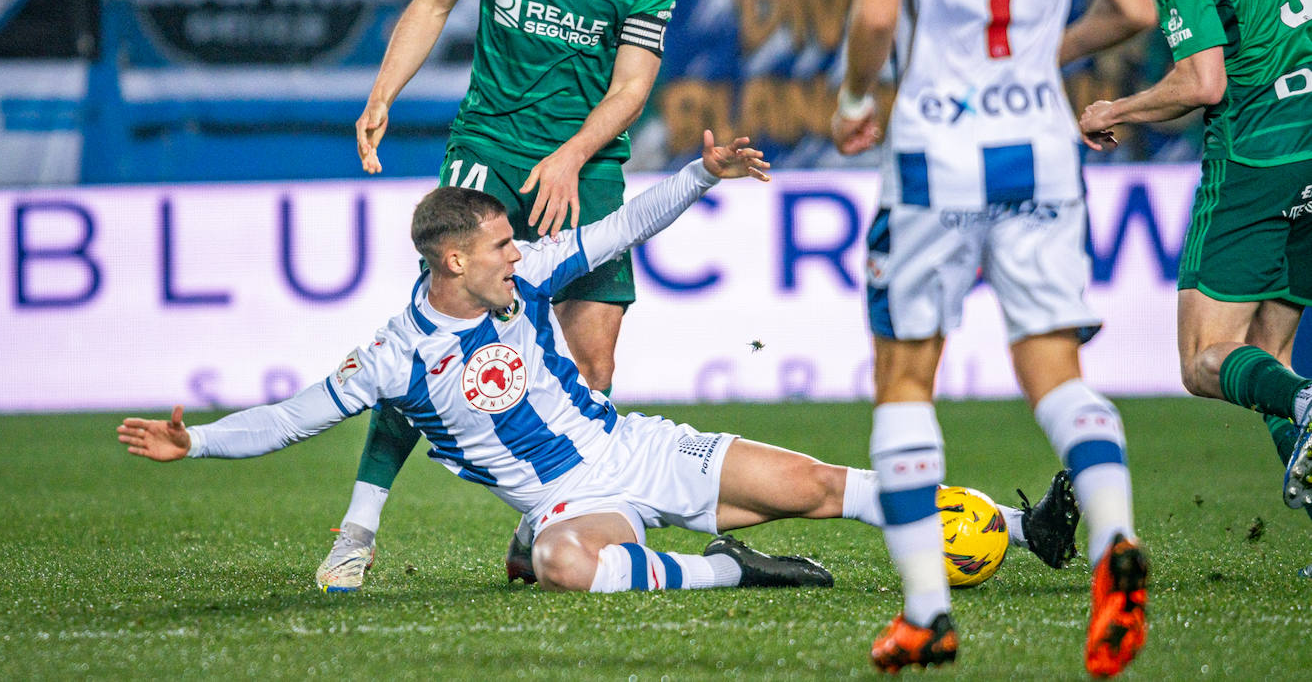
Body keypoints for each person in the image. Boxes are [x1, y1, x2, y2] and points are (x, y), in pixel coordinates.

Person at [119, 133, 1082, 595]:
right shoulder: (395, 355)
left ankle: (1019, 525)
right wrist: (196, 445)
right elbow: (292, 416)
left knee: (818, 483)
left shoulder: (528, 270)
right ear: (453, 261)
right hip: (574, 503)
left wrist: (703, 175)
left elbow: (623, 225)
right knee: (563, 560)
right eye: (499, 247)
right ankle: (732, 574)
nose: (518, 253)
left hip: (640, 450)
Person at [833, 0, 1158, 674]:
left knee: (905, 377)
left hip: (936, 153)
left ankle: (927, 613)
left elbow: (878, 10)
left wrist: (858, 95)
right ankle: (1115, 543)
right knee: (1055, 370)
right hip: (1041, 147)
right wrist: (1041, 55)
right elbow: (1134, 7)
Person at [334, 0, 681, 592]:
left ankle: (545, 524)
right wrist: (382, 92)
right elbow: (432, 2)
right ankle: (359, 525)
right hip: (488, 147)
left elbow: (632, 88)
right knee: (435, 337)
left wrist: (569, 157)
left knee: (592, 366)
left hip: (586, 166)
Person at [1067, 0, 1312, 520]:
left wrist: (1115, 109)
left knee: (1205, 360)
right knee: (1268, 351)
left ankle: (1306, 402)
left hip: (1259, 154)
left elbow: (1201, 85)